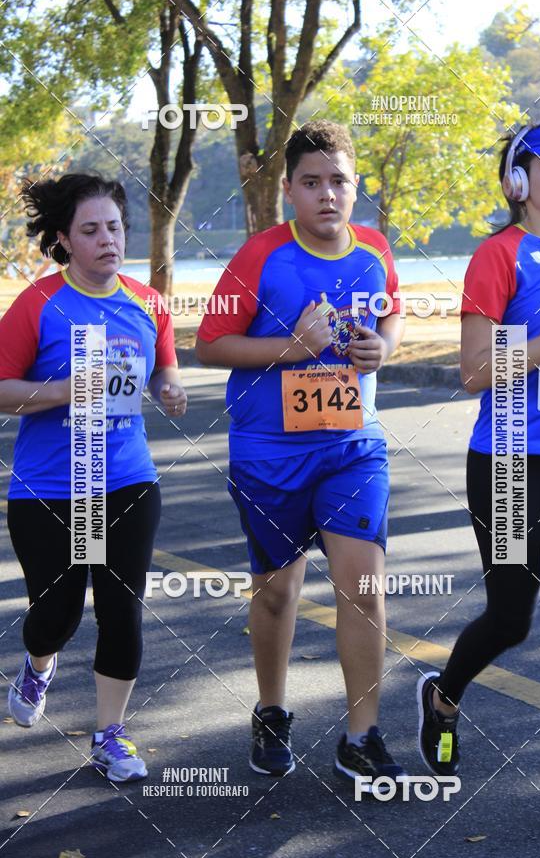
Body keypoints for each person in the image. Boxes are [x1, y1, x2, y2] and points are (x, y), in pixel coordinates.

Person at [196, 120, 405, 787]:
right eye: (311, 183)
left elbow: (391, 310)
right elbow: (210, 345)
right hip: (268, 455)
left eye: (338, 181)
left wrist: (386, 346)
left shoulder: (373, 248)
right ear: (288, 190)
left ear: (355, 186)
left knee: (363, 587)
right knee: (279, 596)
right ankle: (271, 709)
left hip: (352, 448)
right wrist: (292, 348)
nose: (326, 195)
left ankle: (361, 734)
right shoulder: (258, 257)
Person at [416, 119, 540, 832]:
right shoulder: (501, 257)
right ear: (519, 182)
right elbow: (473, 371)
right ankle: (445, 692)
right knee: (511, 617)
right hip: (510, 462)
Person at [4, 174, 187, 782]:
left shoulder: (147, 301)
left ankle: (110, 734)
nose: (108, 239)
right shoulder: (37, 305)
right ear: (64, 240)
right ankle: (39, 661)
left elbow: (164, 363)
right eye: (91, 230)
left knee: (121, 609)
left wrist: (170, 386)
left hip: (126, 479)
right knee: (56, 614)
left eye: (114, 226)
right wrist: (62, 390)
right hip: (51, 486)